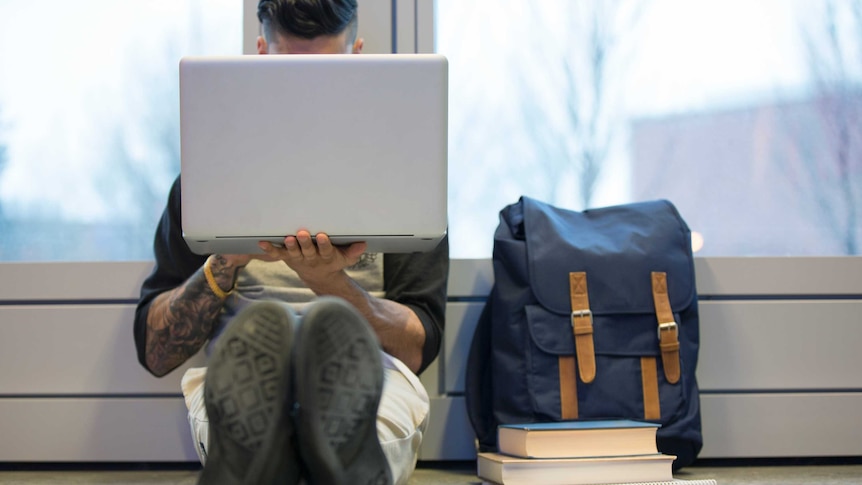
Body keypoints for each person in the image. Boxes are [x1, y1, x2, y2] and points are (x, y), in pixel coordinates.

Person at [132, 1, 449, 484]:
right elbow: (156, 352)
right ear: (261, 54)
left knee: (368, 416)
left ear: (356, 56)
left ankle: (294, 449)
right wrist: (226, 260)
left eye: (324, 72)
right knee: (241, 418)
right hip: (244, 389)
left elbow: (417, 348)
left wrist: (332, 285)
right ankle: (291, 447)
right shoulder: (207, 178)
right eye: (291, 69)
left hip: (367, 379)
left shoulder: (402, 175)